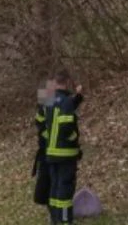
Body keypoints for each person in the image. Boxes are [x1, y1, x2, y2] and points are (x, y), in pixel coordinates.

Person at [41, 70, 84, 224]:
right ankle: (65, 220)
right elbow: (66, 127)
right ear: (66, 82)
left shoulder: (48, 99)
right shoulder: (65, 101)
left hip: (50, 153)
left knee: (55, 187)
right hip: (65, 153)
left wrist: (78, 97)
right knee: (65, 190)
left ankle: (55, 219)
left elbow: (58, 107)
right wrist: (76, 144)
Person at [31, 77, 54, 207]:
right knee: (46, 174)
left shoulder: (44, 105)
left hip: (46, 143)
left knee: (46, 173)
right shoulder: (46, 105)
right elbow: (42, 124)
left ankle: (43, 197)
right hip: (47, 144)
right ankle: (43, 197)